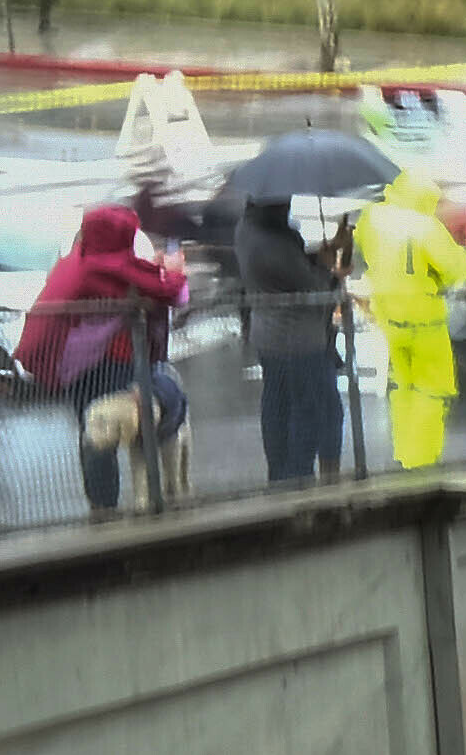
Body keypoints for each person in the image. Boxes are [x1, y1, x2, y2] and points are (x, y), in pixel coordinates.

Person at [19, 201, 196, 518]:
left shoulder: (75, 263)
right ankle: (140, 502)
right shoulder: (107, 268)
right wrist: (170, 271)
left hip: (72, 367)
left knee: (93, 432)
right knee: (122, 432)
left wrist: (149, 269)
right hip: (110, 364)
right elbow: (175, 293)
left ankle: (102, 508)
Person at [352, 182, 466, 468]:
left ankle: (403, 451)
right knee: (432, 389)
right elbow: (456, 270)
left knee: (402, 387)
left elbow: (364, 252)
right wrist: (457, 248)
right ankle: (421, 458)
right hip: (425, 320)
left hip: (389, 318)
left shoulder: (372, 218)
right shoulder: (426, 226)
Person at [239, 194, 351, 483]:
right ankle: (297, 477)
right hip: (298, 340)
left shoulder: (250, 229)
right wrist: (328, 268)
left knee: (279, 406)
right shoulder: (273, 242)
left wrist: (324, 252)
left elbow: (294, 271)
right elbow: (310, 284)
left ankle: (282, 476)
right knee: (308, 410)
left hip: (270, 336)